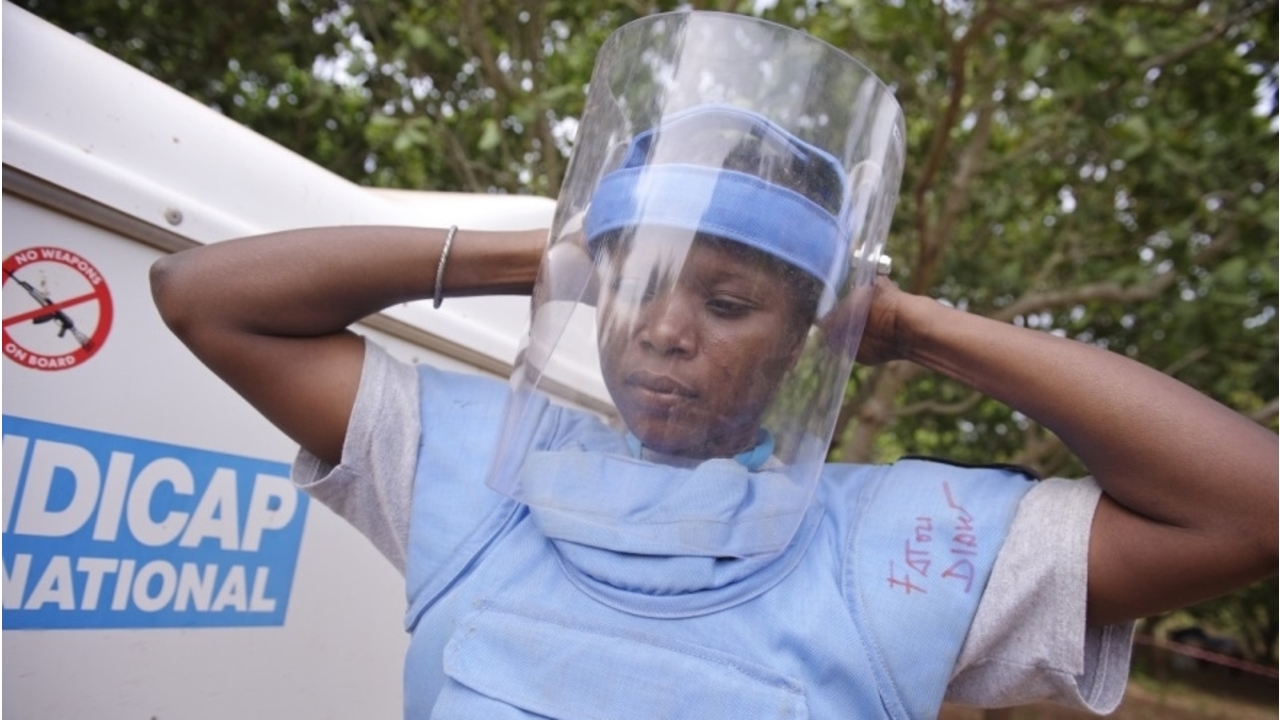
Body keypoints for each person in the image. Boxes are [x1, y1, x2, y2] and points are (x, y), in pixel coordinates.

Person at [150, 14, 1276, 720]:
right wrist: (550, 255)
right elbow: (205, 300)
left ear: (804, 336)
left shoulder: (897, 550)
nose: (662, 330)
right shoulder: (472, 477)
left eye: (728, 301)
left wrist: (910, 325)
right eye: (637, 288)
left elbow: (1248, 506)